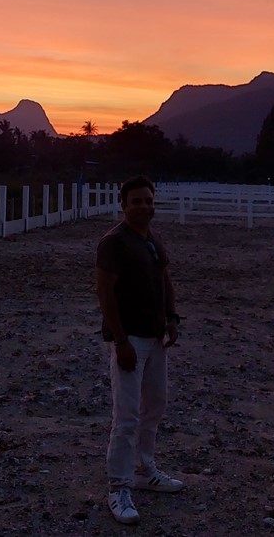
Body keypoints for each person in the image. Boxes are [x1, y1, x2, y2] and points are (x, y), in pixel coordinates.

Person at [95, 175, 184, 525]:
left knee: (155, 406)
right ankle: (119, 486)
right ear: (123, 205)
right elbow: (105, 293)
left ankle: (145, 470)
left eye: (148, 200)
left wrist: (172, 317)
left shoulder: (153, 241)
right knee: (127, 415)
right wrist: (120, 342)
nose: (144, 207)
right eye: (137, 201)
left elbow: (165, 280)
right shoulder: (113, 243)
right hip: (130, 339)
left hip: (156, 336)